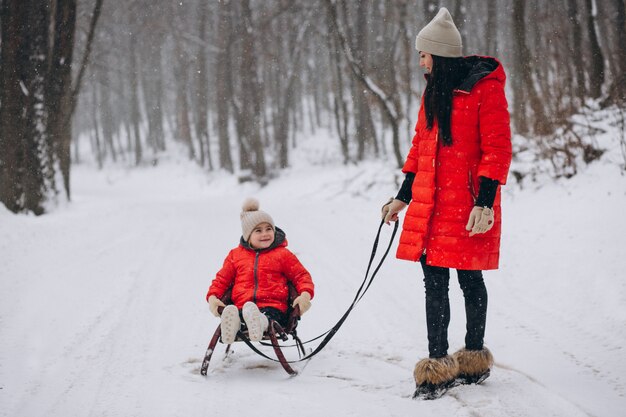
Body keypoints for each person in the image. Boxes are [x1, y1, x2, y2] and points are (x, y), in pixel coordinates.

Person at [381, 7, 512, 399]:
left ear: (437, 53)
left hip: (469, 205)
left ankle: (473, 355)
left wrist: (485, 202)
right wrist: (402, 196)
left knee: (470, 277)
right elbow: (421, 147)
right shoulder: (432, 90)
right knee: (433, 283)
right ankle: (437, 364)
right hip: (432, 204)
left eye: (423, 54)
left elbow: (497, 148)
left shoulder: (485, 89)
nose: (420, 60)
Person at [206, 198, 315, 344]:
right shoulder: (235, 255)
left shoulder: (282, 254)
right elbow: (222, 280)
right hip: (243, 306)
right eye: (258, 230)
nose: (265, 234)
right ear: (248, 236)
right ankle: (233, 325)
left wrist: (305, 294)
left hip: (274, 306)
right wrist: (213, 297)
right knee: (238, 314)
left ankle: (260, 322)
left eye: (268, 229)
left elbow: (301, 275)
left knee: (266, 316)